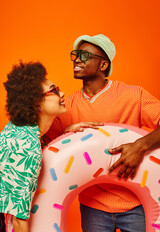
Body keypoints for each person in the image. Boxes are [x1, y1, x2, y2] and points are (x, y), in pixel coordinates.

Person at [45, 34, 160, 232]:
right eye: (75, 55)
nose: (77, 59)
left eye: (84, 55)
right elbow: (42, 145)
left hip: (135, 204)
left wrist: (140, 146)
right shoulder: (66, 108)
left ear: (103, 64)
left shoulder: (133, 95)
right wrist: (65, 132)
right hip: (93, 207)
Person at [0, 61, 67, 232]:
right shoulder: (27, 147)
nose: (62, 93)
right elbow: (19, 218)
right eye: (54, 90)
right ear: (36, 103)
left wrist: (69, 131)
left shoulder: (19, 129)